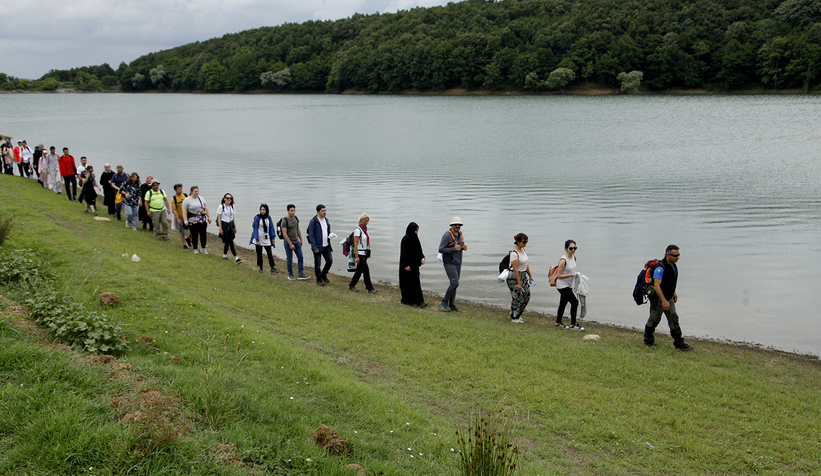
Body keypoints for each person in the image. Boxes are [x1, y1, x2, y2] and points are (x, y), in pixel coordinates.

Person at [644, 245, 694, 351]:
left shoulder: (673, 266)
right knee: (654, 320)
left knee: (673, 319)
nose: (678, 257)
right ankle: (648, 340)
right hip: (658, 299)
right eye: (675, 255)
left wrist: (673, 292)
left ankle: (679, 343)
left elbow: (669, 282)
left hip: (668, 297)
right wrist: (664, 301)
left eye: (678, 255)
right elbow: (657, 286)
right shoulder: (660, 268)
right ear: (668, 255)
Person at [438, 217, 466, 312]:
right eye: (455, 224)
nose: (457, 226)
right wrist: (454, 249)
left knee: (455, 284)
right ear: (451, 225)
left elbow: (459, 246)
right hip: (449, 262)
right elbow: (441, 249)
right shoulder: (447, 235)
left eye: (459, 224)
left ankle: (452, 305)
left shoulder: (460, 234)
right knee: (455, 283)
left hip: (458, 262)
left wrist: (463, 247)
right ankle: (444, 301)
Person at [555, 240, 584, 331]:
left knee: (563, 303)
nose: (573, 250)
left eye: (575, 248)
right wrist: (571, 275)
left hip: (569, 285)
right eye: (571, 248)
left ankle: (558, 322)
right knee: (575, 302)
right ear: (566, 248)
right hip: (562, 285)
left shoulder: (574, 258)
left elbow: (572, 270)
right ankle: (573, 324)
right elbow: (558, 275)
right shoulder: (563, 260)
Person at [507, 233, 534, 323]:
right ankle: (514, 317)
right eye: (523, 242)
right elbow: (515, 269)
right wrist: (519, 283)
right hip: (514, 277)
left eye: (526, 241)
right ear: (518, 242)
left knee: (527, 296)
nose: (525, 243)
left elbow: (525, 265)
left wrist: (530, 276)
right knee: (517, 297)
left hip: (523, 275)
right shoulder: (514, 253)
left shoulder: (523, 250)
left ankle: (518, 313)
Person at [348, 213, 377, 293]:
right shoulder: (358, 231)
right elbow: (355, 244)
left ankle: (352, 285)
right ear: (361, 221)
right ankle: (369, 288)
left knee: (359, 270)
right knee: (366, 270)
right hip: (360, 253)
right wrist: (356, 256)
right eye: (365, 221)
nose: (366, 223)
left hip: (364, 253)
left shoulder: (365, 230)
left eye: (367, 221)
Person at [399, 222, 426, 307]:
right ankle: (409, 300)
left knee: (416, 282)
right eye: (416, 230)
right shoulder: (406, 239)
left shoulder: (415, 238)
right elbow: (404, 253)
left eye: (417, 230)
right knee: (408, 283)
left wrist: (422, 257)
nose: (417, 231)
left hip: (414, 265)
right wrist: (405, 265)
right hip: (408, 265)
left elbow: (419, 250)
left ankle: (418, 300)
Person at [307, 204, 333, 286]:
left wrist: (331, 235)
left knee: (329, 261)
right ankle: (319, 279)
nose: (324, 212)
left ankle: (323, 275)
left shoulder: (326, 220)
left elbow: (327, 231)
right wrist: (314, 247)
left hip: (326, 245)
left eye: (325, 210)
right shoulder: (313, 221)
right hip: (318, 246)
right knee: (318, 264)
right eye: (322, 211)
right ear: (318, 212)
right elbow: (311, 235)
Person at [281, 204, 308, 280]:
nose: (293, 212)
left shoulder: (295, 218)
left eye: (294, 211)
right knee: (289, 259)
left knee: (300, 257)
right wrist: (290, 244)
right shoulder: (284, 221)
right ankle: (291, 275)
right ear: (288, 211)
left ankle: (301, 274)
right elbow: (284, 234)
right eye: (291, 211)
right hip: (288, 243)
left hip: (296, 241)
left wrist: (301, 239)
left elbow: (298, 229)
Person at [182, 186, 211, 254]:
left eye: (197, 191)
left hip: (202, 219)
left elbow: (205, 208)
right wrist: (185, 220)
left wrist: (209, 217)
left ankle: (203, 248)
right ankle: (195, 248)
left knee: (203, 234)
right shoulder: (187, 200)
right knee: (194, 234)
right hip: (193, 220)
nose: (196, 193)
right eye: (195, 191)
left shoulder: (201, 198)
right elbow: (184, 210)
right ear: (191, 192)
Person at [250, 204, 277, 273]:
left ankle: (272, 267)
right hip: (259, 238)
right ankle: (260, 267)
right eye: (261, 210)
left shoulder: (268, 217)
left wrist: (273, 237)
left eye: (264, 210)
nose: (262, 211)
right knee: (259, 253)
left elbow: (271, 227)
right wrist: (257, 239)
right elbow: (255, 228)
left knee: (269, 252)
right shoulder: (257, 218)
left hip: (266, 238)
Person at [217, 193, 241, 264]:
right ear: (224, 199)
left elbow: (232, 217)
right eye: (227, 198)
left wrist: (235, 226)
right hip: (224, 225)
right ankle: (236, 257)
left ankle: (224, 255)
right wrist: (220, 228)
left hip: (230, 225)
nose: (229, 199)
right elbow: (219, 218)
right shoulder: (221, 207)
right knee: (230, 241)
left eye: (230, 198)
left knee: (228, 241)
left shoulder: (232, 206)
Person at [170, 184, 192, 249]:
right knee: (182, 231)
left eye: (181, 189)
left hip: (187, 215)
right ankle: (184, 245)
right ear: (175, 190)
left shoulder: (185, 195)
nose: (181, 190)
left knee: (193, 228)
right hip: (180, 216)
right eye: (179, 189)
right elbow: (174, 210)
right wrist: (177, 219)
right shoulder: (173, 199)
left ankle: (188, 239)